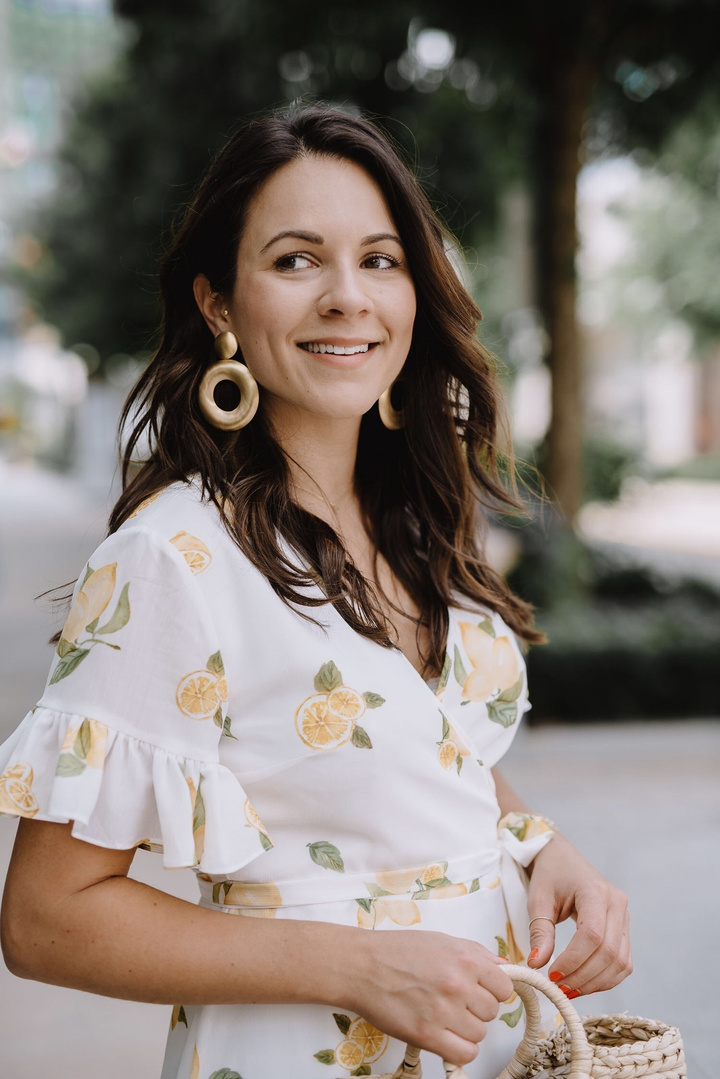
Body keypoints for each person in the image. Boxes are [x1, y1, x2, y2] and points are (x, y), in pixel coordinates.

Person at [0, 104, 631, 1079]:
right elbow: (47, 917)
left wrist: (543, 845)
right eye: (297, 260)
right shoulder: (175, 558)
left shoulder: (422, 527)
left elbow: (425, 750)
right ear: (219, 305)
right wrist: (360, 964)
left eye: (381, 259)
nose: (349, 297)